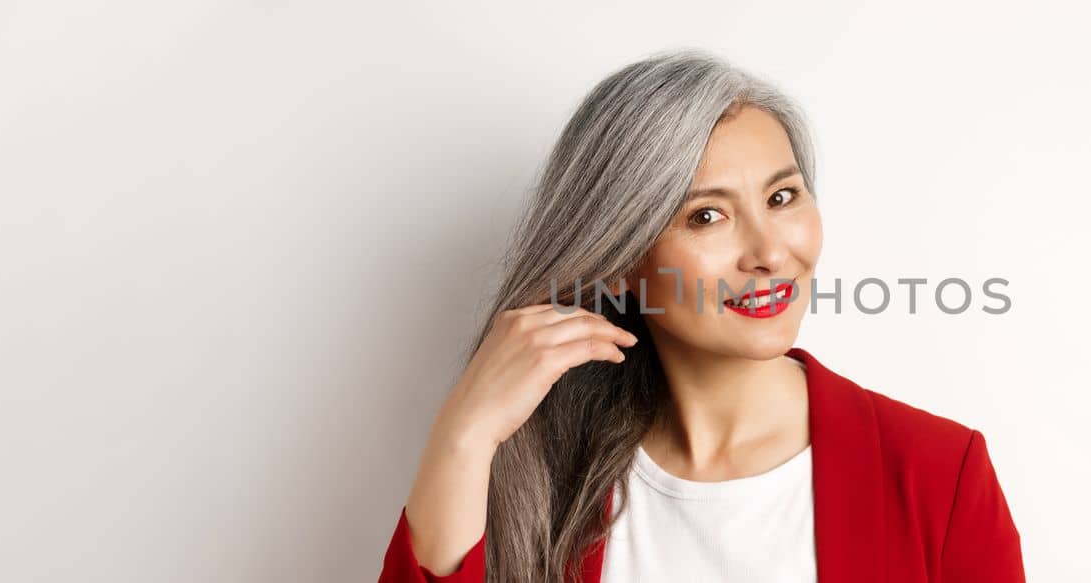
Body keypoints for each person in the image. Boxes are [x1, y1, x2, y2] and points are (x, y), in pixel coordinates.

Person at [377, 48, 1024, 583]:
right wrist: (464, 432)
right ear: (618, 260)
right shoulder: (544, 480)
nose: (771, 252)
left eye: (782, 195)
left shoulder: (939, 473)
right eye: (706, 215)